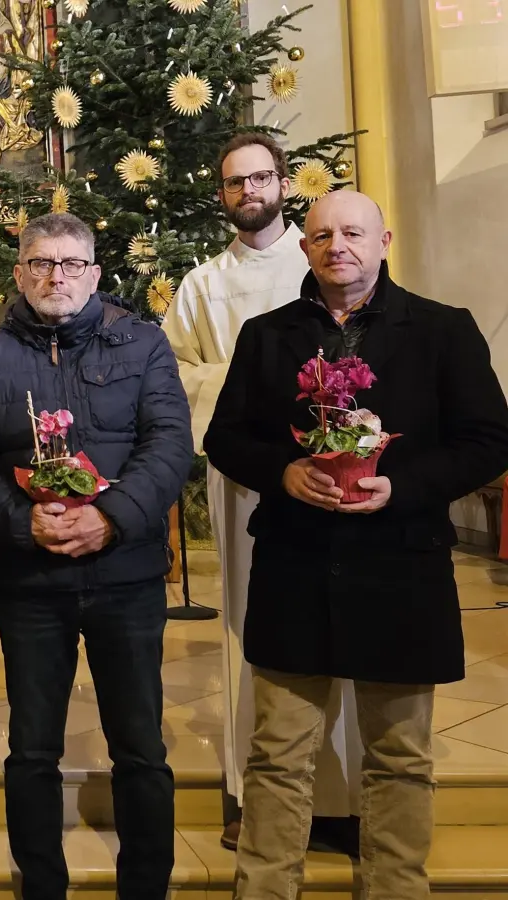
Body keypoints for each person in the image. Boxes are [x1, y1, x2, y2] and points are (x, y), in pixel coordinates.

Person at [204, 190, 508, 899]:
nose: (336, 245)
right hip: (296, 564)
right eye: (321, 235)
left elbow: (489, 441)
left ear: (383, 241)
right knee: (277, 756)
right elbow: (223, 438)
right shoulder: (266, 334)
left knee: (399, 756)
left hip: (400, 567)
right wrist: (280, 471)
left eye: (352, 233)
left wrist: (400, 487)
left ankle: (395, 889)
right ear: (303, 247)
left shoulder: (442, 330)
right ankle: (265, 890)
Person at [0, 213, 191, 900]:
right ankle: (41, 887)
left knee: (141, 749)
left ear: (94, 274)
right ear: (20, 272)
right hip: (32, 581)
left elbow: (170, 445)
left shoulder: (145, 345)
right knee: (33, 750)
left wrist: (112, 519)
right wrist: (20, 522)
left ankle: (145, 889)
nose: (55, 277)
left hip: (126, 576)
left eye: (70, 264)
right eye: (40, 263)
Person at [164, 133, 362, 854]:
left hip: (333, 465)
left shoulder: (323, 268)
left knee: (338, 619)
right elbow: (175, 373)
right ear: (222, 196)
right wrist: (250, 387)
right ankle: (255, 793)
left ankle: (340, 798)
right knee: (250, 627)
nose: (249, 192)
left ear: (284, 184)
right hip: (246, 469)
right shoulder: (203, 285)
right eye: (234, 183)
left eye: (261, 178)